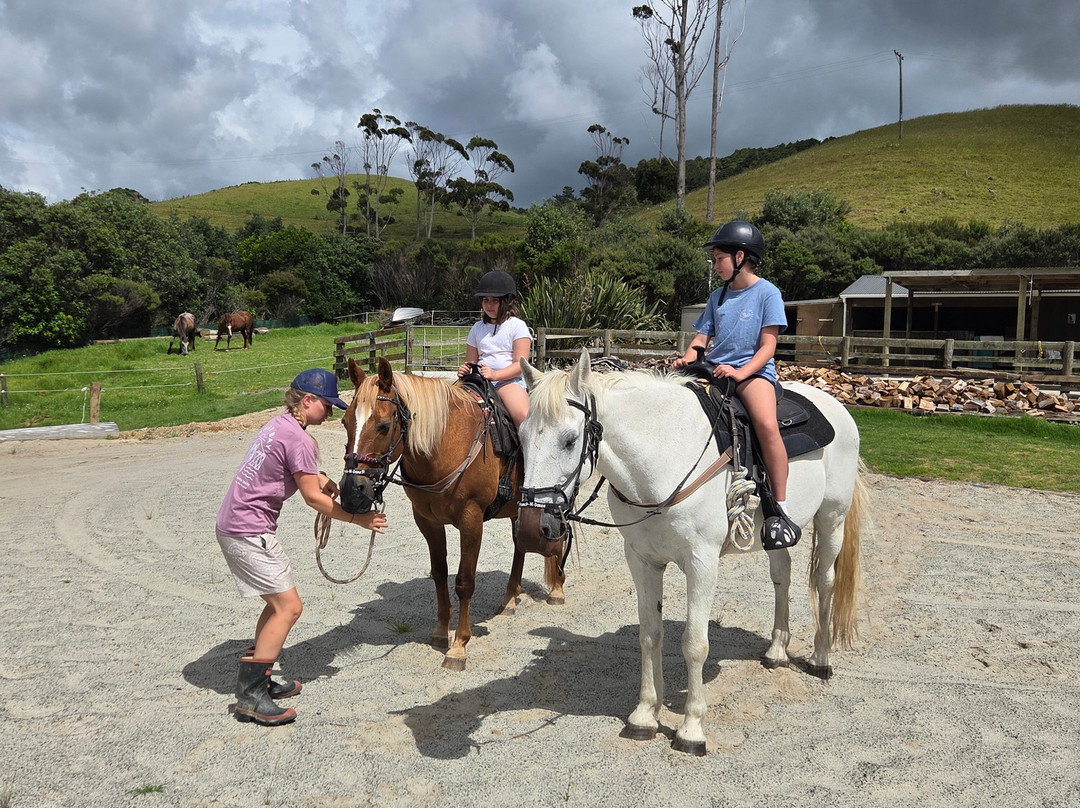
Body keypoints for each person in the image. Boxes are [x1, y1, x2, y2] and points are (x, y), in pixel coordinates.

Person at [215, 367, 388, 726]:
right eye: (325, 405)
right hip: (249, 531)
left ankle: (259, 680)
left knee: (276, 603)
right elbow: (312, 498)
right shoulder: (299, 439)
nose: (329, 412)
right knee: (289, 608)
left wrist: (320, 477)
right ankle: (250, 697)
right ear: (307, 401)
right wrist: (360, 520)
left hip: (235, 524)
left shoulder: (279, 426)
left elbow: (295, 474)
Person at [671, 220, 800, 551]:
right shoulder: (718, 295)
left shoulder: (767, 293)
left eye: (718, 258)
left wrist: (743, 374)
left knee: (767, 424)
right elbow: (702, 338)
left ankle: (780, 509)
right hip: (716, 368)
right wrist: (688, 359)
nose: (715, 266)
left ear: (740, 256)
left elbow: (768, 347)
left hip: (753, 373)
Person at [457, 269, 532, 428]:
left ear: (506, 301)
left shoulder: (517, 326)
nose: (489, 305)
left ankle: (527, 452)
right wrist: (465, 370)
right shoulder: (477, 328)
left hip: (508, 382)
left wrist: (495, 374)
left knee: (523, 416)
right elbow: (471, 361)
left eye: (494, 301)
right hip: (479, 382)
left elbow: (520, 364)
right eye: (485, 300)